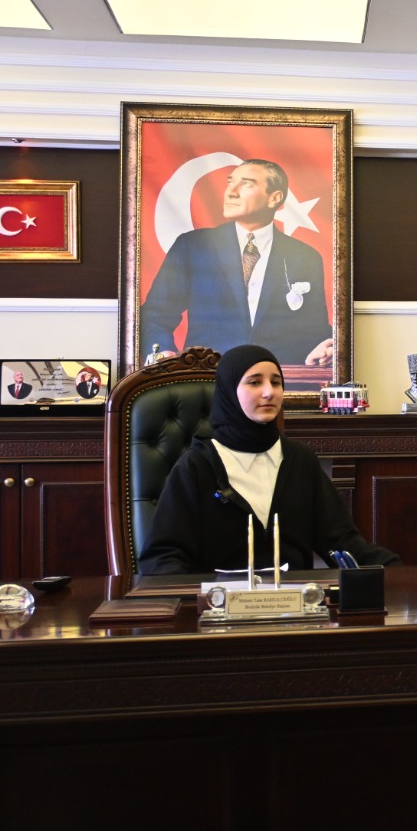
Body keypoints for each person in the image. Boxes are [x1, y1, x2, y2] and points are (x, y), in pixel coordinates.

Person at [138, 344, 401, 575]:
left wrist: (400, 575)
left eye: (276, 382)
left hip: (295, 607)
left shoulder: (300, 460)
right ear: (229, 392)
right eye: (255, 382)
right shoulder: (197, 465)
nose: (269, 392)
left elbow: (343, 543)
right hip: (217, 608)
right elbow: (164, 557)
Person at [138, 159, 335, 368]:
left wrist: (326, 348)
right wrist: (162, 355)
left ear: (274, 198)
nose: (231, 192)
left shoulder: (305, 257)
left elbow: (315, 330)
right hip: (206, 377)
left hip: (279, 379)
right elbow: (155, 315)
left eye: (246, 184)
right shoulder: (192, 246)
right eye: (230, 183)